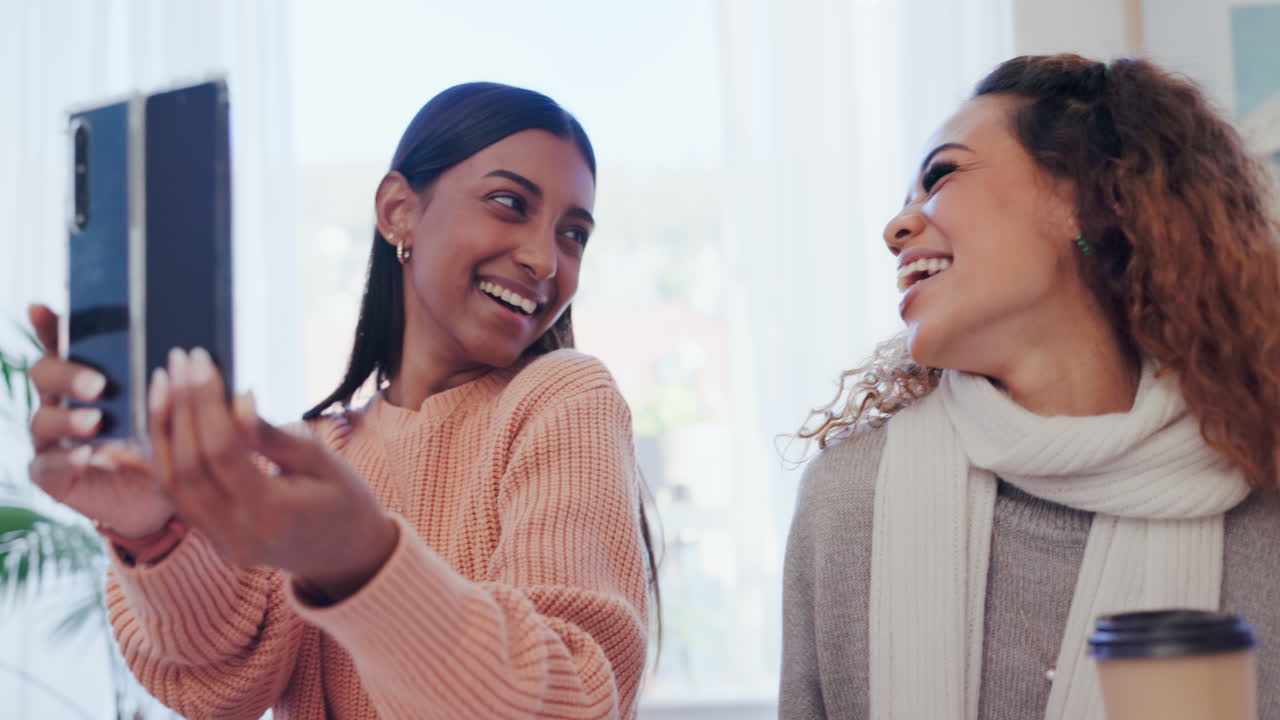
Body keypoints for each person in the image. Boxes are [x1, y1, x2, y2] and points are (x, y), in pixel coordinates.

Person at [28, 82, 657, 719]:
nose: (544, 259)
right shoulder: (312, 454)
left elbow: (571, 702)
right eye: (508, 203)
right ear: (397, 211)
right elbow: (222, 685)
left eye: (573, 235)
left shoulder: (564, 400)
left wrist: (365, 561)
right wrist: (154, 531)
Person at [780, 54, 1280, 719]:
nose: (895, 229)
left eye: (941, 175)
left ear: (1091, 198)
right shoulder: (848, 503)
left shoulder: (1263, 506)